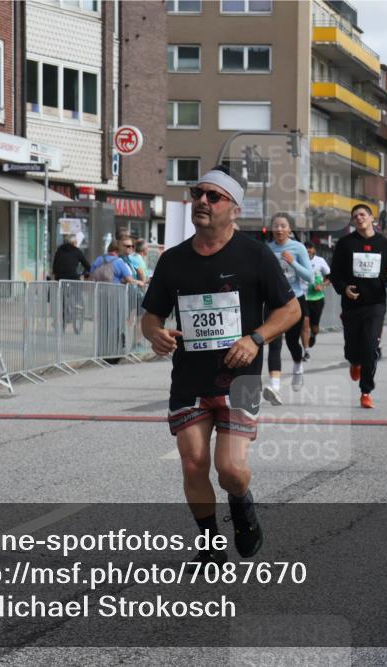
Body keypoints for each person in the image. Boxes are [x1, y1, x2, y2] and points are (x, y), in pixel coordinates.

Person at [140, 166, 299, 564]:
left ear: (234, 209)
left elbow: (291, 309)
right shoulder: (173, 260)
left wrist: (256, 338)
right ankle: (210, 545)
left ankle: (243, 507)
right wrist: (154, 333)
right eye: (198, 194)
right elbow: (150, 316)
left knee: (230, 469)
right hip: (190, 378)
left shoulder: (255, 254)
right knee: (194, 463)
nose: (202, 202)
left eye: (214, 196)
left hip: (240, 378)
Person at [330, 204, 387, 409]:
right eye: (355, 216)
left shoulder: (386, 245)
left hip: (375, 304)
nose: (359, 218)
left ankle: (366, 391)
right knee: (352, 349)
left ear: (372, 218)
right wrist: (344, 289)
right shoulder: (345, 244)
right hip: (352, 305)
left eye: (362, 214)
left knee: (371, 347)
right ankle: (354, 362)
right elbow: (335, 273)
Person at [263, 213, 314, 403]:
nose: (279, 229)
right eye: (276, 226)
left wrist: (292, 262)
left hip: (295, 300)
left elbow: (309, 276)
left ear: (290, 229)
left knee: (293, 342)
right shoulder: (267, 249)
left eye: (283, 226)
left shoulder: (298, 248)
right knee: (274, 343)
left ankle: (298, 365)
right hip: (273, 302)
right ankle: (274, 386)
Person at [303, 240, 331, 359]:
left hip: (317, 298)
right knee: (304, 325)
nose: (308, 250)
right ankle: (306, 351)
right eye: (306, 248)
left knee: (314, 326)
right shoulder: (299, 260)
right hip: (303, 297)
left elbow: (329, 277)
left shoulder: (320, 261)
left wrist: (322, 286)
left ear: (314, 250)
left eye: (310, 248)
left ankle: (313, 335)